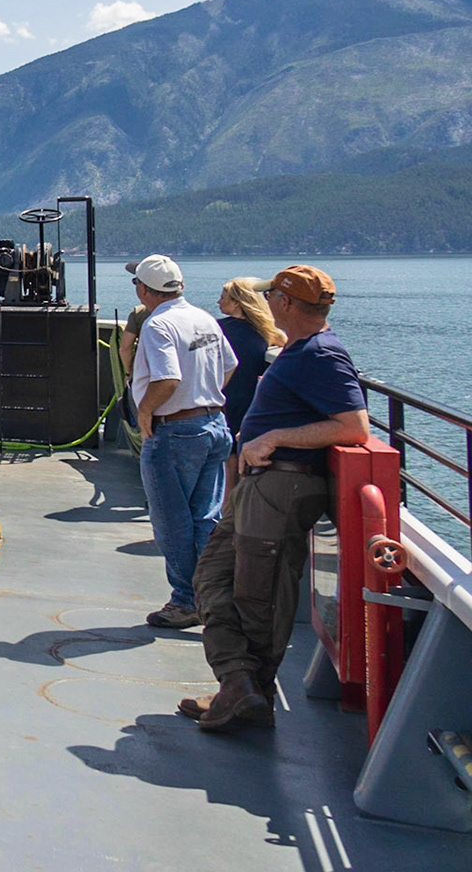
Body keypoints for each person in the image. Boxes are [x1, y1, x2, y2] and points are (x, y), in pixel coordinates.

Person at [184, 264, 368, 733]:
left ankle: (249, 693)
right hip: (261, 486)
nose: (266, 303)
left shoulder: (322, 354)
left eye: (272, 297)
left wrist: (272, 438)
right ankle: (237, 683)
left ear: (286, 303)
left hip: (280, 487)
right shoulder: (299, 350)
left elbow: (353, 426)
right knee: (211, 576)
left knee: (257, 596)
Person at [127, 254, 235, 631]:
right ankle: (213, 598)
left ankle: (186, 602)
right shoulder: (204, 318)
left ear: (144, 289)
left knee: (172, 522)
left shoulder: (159, 325)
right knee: (205, 516)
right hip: (213, 424)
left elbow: (167, 379)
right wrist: (203, 398)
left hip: (174, 432)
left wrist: (145, 412)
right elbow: (229, 366)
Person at [216, 276, 283, 439]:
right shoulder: (267, 331)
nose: (218, 302)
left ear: (237, 302)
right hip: (250, 401)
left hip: (222, 397)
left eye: (223, 297)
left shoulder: (217, 328)